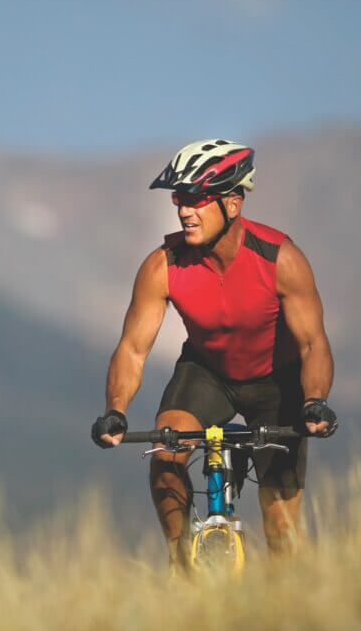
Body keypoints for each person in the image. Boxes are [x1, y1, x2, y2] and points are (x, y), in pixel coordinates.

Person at [90, 139, 337, 567]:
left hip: (276, 382)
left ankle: (282, 613)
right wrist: (116, 410)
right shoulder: (162, 266)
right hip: (207, 374)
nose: (184, 210)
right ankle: (181, 566)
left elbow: (313, 343)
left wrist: (315, 401)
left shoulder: (281, 259)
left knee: (281, 523)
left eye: (197, 199)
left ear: (233, 204)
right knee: (166, 457)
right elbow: (132, 349)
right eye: (179, 199)